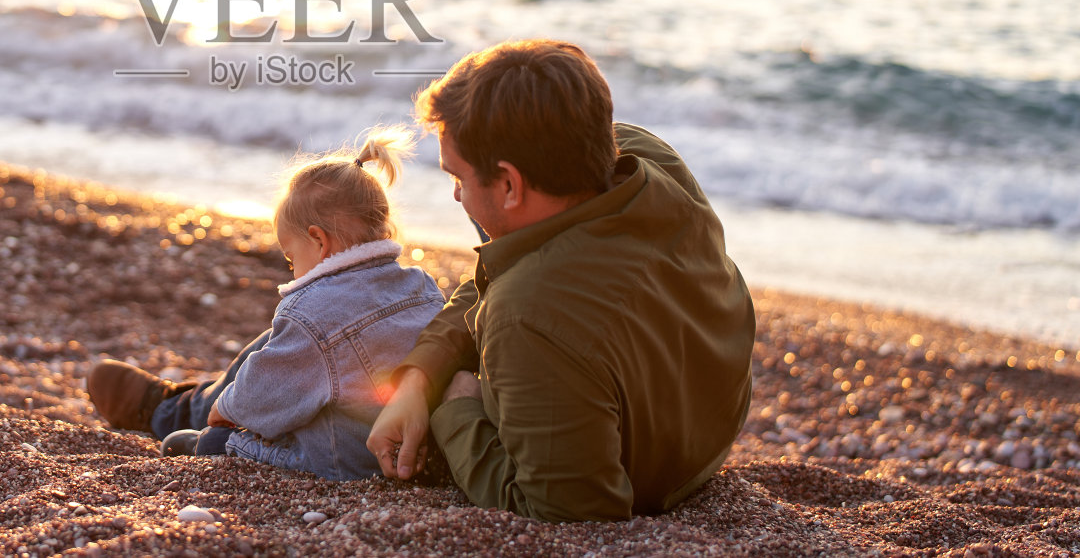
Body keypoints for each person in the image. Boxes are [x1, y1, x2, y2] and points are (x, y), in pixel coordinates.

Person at [367, 39, 756, 522]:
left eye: (459, 177)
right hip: (711, 417)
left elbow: (572, 513)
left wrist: (454, 406)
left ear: (509, 184)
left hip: (649, 471)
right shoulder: (645, 155)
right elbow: (504, 272)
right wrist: (418, 379)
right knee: (504, 245)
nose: (454, 193)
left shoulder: (525, 316)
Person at [86, 129, 446, 481]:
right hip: (407, 443)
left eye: (291, 258)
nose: (292, 269)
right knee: (274, 342)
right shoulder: (421, 286)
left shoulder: (312, 314)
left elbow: (263, 394)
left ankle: (177, 410)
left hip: (344, 459)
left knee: (214, 439)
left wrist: (225, 411)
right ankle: (181, 405)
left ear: (319, 241)